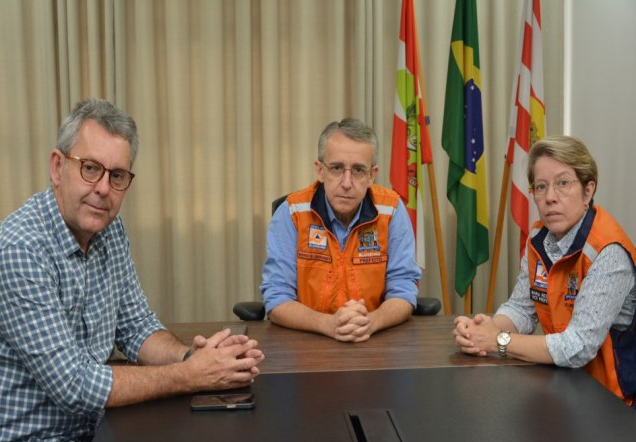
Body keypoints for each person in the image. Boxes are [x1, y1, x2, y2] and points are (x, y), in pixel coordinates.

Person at [0, 98, 265, 442]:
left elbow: (137, 327)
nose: (103, 189)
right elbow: (74, 385)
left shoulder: (109, 230)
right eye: (90, 169)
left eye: (117, 176)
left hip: (96, 429)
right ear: (58, 167)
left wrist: (194, 357)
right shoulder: (20, 249)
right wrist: (189, 376)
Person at [453, 135, 636, 405]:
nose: (550, 197)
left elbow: (578, 347)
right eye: (541, 186)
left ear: (588, 190)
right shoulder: (540, 236)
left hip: (609, 401)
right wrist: (483, 328)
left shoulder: (608, 252)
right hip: (562, 386)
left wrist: (497, 341)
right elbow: (521, 309)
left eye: (563, 183)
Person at [260, 118, 421, 342]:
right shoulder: (292, 212)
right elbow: (277, 298)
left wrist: (371, 322)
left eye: (357, 170)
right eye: (336, 168)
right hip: (306, 343)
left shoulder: (391, 210)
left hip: (373, 341)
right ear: (320, 170)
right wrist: (328, 324)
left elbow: (403, 289)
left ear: (371, 175)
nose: (346, 182)